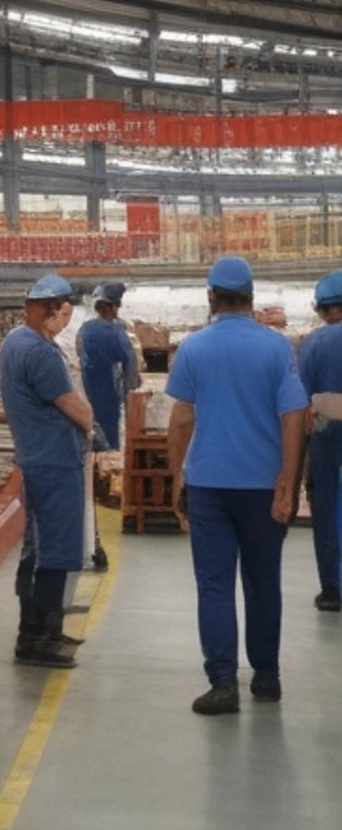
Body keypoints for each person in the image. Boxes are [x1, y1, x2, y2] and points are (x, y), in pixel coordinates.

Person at [168, 255, 309, 714]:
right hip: (262, 487)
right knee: (263, 582)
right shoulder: (276, 349)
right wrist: (287, 481)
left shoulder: (194, 349)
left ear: (211, 298)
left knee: (214, 584)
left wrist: (177, 478)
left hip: (209, 487)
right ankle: (266, 679)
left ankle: (223, 684)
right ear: (251, 298)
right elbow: (294, 416)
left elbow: (182, 419)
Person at [0, 274, 93, 668]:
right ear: (47, 310)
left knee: (38, 548)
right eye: (62, 312)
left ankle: (39, 631)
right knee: (56, 550)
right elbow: (72, 404)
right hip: (54, 462)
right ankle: (40, 638)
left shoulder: (14, 342)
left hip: (37, 456)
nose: (64, 320)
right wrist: (93, 424)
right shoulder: (39, 352)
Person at [76, 281, 140, 572]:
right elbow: (130, 368)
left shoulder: (84, 331)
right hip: (110, 398)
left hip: (86, 397)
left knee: (90, 443)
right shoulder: (116, 333)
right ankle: (109, 486)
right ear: (113, 308)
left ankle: (95, 481)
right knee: (110, 444)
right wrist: (132, 396)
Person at [296, 270, 342, 612]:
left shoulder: (313, 344)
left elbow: (300, 403)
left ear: (324, 309)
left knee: (326, 509)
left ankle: (332, 591)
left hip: (327, 438)